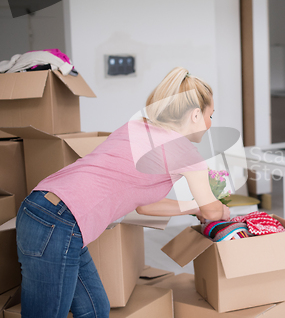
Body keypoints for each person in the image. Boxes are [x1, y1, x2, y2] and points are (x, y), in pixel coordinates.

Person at [15, 67, 230, 318]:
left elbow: (146, 207)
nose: (210, 124)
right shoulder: (186, 153)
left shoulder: (139, 127)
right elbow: (212, 210)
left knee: (94, 309)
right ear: (195, 115)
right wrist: (223, 210)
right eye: (210, 116)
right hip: (60, 221)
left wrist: (194, 207)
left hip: (46, 211)